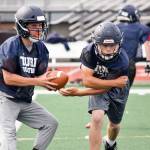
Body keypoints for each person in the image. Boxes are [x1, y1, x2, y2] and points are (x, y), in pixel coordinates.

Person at [59, 22, 129, 150]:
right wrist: (114, 82)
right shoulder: (88, 52)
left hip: (117, 90)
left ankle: (110, 142)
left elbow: (106, 87)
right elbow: (88, 81)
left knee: (114, 125)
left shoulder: (123, 61)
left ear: (119, 44)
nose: (108, 49)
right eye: (105, 45)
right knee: (96, 118)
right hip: (101, 84)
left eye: (112, 45)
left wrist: (78, 92)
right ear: (96, 43)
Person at [0, 6, 59, 150]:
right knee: (9, 135)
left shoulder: (41, 49)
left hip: (24, 99)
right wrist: (38, 81)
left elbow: (39, 77)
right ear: (21, 26)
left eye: (40, 26)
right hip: (5, 97)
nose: (38, 29)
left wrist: (50, 82)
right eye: (33, 26)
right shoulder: (11, 45)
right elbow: (9, 79)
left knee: (50, 123)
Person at [85, 4, 150, 129]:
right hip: (127, 65)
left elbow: (95, 43)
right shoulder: (142, 28)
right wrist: (148, 62)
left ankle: (97, 115)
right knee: (119, 94)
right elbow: (147, 44)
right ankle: (109, 119)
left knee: (100, 88)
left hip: (105, 63)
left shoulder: (112, 27)